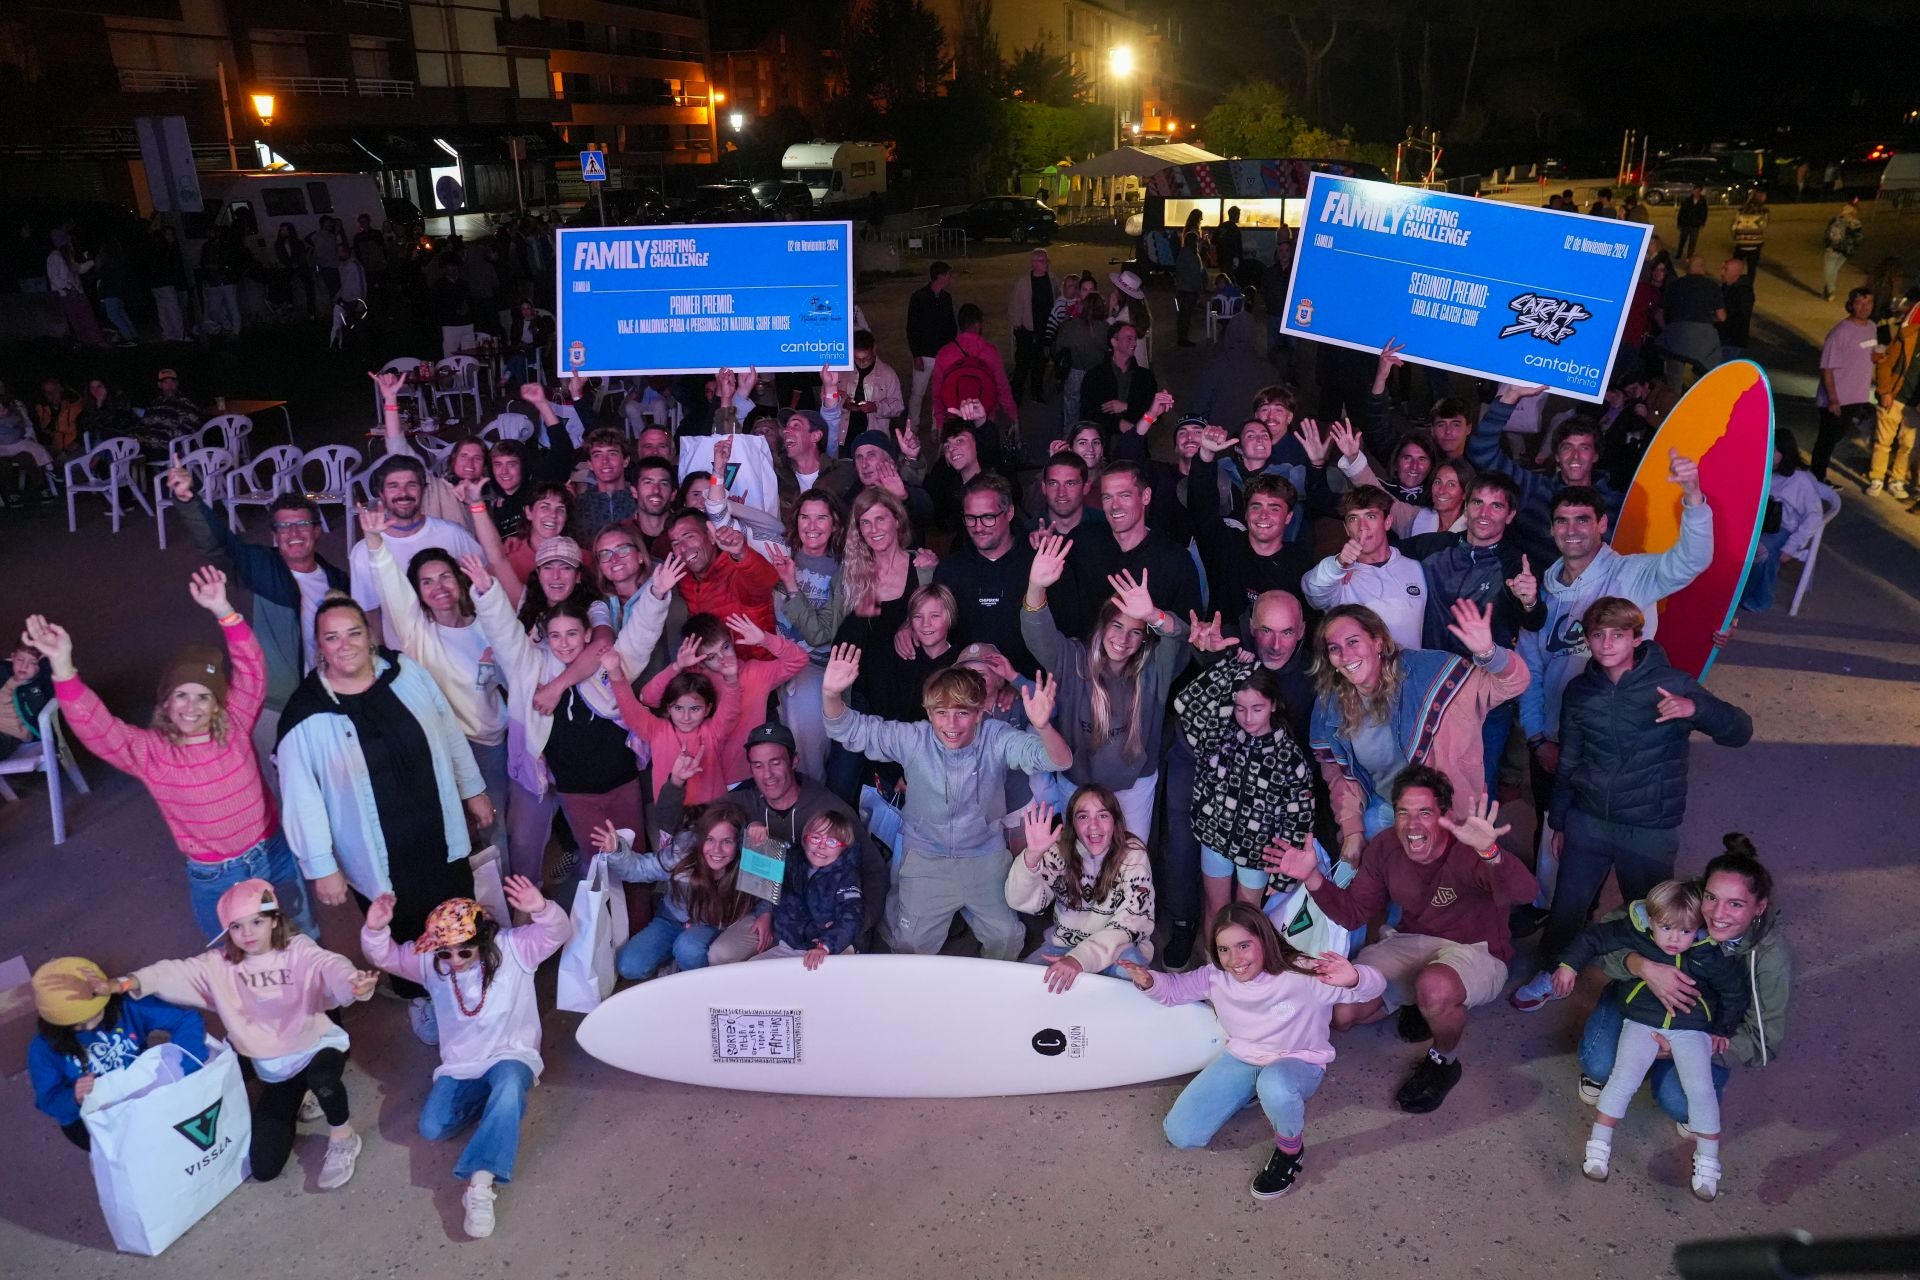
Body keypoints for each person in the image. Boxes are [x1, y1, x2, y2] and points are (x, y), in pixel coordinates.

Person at [26, 569, 318, 941]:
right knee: (232, 957)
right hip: (217, 874)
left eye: (203, 696)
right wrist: (63, 664)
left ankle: (321, 998)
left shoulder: (235, 726)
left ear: (218, 705)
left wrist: (224, 610)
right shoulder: (152, 752)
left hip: (272, 850)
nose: (191, 706)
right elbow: (98, 728)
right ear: (165, 703)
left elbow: (253, 671)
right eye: (181, 694)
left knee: (298, 932)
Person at [1510, 596, 1752, 1012]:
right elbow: (1570, 759)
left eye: (1618, 635)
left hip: (1648, 825)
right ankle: (1554, 969)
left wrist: (1696, 708)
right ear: (1587, 640)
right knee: (1568, 903)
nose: (1606, 644)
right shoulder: (1580, 690)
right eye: (1598, 635)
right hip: (1589, 818)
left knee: (1653, 913)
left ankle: (1652, 990)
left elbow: (1739, 731)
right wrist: (1561, 820)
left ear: (1637, 637)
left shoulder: (1672, 683)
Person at [275, 594, 492, 1045]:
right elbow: (301, 799)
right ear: (318, 646)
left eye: (354, 632)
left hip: (439, 832)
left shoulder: (406, 673)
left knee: (457, 909)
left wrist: (474, 789)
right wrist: (322, 867)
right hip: (378, 855)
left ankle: (472, 982)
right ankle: (423, 999)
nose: (345, 644)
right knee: (405, 931)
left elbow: (447, 730)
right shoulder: (306, 714)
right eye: (332, 637)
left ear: (369, 636)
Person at [1269, 772, 1536, 1113]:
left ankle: (1444, 1060)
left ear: (1443, 815)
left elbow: (1526, 892)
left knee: (1436, 988)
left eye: (1424, 812)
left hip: (1477, 948)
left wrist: (1490, 852)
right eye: (1403, 812)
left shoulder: (1471, 847)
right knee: (1342, 1014)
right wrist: (1313, 878)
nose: (1412, 824)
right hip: (1411, 940)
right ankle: (1418, 1004)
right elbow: (1353, 914)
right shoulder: (1384, 848)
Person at [106, 880, 379, 1188]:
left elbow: (328, 965)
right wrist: (123, 983)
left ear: (275, 919)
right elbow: (173, 972)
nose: (247, 933)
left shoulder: (298, 949)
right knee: (264, 1167)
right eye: (237, 926)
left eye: (257, 922)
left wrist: (353, 981)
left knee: (324, 1081)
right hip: (273, 1065)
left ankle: (343, 1136)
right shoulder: (219, 964)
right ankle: (303, 1094)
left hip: (315, 1047)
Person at [822, 646, 1071, 960]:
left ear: (980, 712)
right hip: (927, 857)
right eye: (941, 712)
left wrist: (1044, 727)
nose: (951, 724)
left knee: (1008, 939)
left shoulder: (996, 737)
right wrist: (831, 694)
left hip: (984, 856)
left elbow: (1057, 760)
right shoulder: (914, 738)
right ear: (928, 713)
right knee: (909, 946)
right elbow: (846, 728)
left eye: (962, 712)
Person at [1124, 903, 1384, 1199]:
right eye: (1224, 950)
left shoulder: (1303, 972)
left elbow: (1375, 987)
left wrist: (1354, 977)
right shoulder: (1216, 976)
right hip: (1243, 1059)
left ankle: (1290, 1153)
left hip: (1297, 1063)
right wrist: (1147, 980)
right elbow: (1173, 990)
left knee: (1275, 1085)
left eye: (1244, 945)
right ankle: (1250, 1091)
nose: (1234, 960)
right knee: (1182, 1134)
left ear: (1264, 939)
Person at [361, 876, 570, 1238]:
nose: (453, 960)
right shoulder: (430, 963)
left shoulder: (514, 949)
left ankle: (480, 1184)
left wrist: (540, 908)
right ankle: (501, 1110)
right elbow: (388, 956)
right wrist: (375, 928)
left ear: (482, 942)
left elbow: (557, 933)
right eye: (445, 953)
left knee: (507, 1083)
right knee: (432, 1127)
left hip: (511, 1055)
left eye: (463, 951)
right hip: (461, 1066)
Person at [466, 552, 673, 876]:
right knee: (598, 871)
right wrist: (487, 593)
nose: (564, 644)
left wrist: (656, 595)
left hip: (622, 783)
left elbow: (639, 637)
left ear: (588, 635)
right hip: (576, 792)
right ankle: (605, 928)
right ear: (545, 639)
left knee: (634, 862)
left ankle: (640, 924)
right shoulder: (531, 666)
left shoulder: (608, 661)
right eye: (556, 636)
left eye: (572, 634)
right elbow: (504, 634)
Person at [1575, 835, 1789, 1134]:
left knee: (1681, 1102)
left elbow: (1762, 1042)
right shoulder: (1682, 899)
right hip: (1639, 1005)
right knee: (1598, 1064)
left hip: (1699, 1029)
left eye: (1736, 904)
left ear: (1759, 907)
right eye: (1711, 897)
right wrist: (1640, 965)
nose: (1717, 913)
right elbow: (1607, 939)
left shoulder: (1769, 957)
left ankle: (1657, 1067)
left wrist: (1687, 1049)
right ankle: (1627, 1055)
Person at [1552, 880, 1747, 1200]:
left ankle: (1708, 1162)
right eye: (1666, 927)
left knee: (1700, 1088)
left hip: (1691, 1028)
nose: (1674, 938)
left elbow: (1734, 992)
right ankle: (1598, 1147)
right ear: (1651, 920)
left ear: (1698, 927)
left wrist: (1722, 1029)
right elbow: (1595, 937)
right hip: (1641, 1021)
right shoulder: (1636, 931)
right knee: (1622, 1078)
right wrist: (1568, 965)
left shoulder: (1710, 953)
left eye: (1685, 931)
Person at [1310, 600, 1528, 856]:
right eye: (1334, 648)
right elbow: (1339, 776)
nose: (1345, 655)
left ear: (1378, 642)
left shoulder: (1431, 672)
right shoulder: (1330, 705)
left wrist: (1489, 653)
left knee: (1452, 888)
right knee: (1370, 876)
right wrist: (1352, 830)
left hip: (1448, 812)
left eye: (1353, 642)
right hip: (1386, 807)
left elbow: (1514, 684)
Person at [169, 469, 348, 780]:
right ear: (274, 536)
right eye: (284, 527)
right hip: (274, 702)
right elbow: (218, 542)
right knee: (279, 784)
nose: (294, 533)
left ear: (317, 530)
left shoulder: (337, 580)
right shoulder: (260, 566)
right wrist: (188, 500)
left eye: (302, 524)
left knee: (329, 774)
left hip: (325, 695)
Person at [359, 511, 510, 853]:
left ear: (459, 580)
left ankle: (502, 896)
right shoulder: (417, 631)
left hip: (492, 741)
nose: (438, 587)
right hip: (445, 743)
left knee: (495, 824)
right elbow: (389, 581)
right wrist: (374, 540)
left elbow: (514, 671)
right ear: (418, 593)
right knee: (453, 826)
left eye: (445, 577)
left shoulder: (485, 623)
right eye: (426, 582)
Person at [1022, 539, 1190, 837]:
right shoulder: (1073, 660)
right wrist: (1036, 587)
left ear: (1144, 640)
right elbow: (1038, 636)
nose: (1123, 639)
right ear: (1102, 626)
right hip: (1078, 786)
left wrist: (1153, 615)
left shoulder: (1153, 671)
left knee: (1131, 867)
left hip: (1133, 789)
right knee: (1079, 869)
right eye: (1116, 626)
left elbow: (1179, 636)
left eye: (1135, 633)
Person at [1178, 651, 1316, 917]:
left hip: (1258, 851)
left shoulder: (1289, 757)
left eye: (1257, 708)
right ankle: (1211, 960)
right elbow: (1187, 704)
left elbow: (1298, 816)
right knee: (1215, 910)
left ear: (1273, 705)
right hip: (1215, 838)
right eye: (1240, 708)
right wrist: (1230, 667)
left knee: (1246, 916)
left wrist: (1283, 875)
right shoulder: (1219, 737)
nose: (1248, 718)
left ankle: (1240, 960)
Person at [30, 956, 208, 1152]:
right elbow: (48, 1101)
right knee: (135, 1158)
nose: (91, 1026)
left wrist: (181, 1067)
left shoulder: (127, 1006)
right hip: (93, 1118)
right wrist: (74, 1097)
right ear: (55, 1025)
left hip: (140, 1095)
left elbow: (186, 1021)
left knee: (172, 1143)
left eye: (97, 1014)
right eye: (78, 1025)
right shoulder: (43, 1049)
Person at [733, 720, 886, 947]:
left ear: (794, 761)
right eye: (758, 765)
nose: (768, 775)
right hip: (770, 914)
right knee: (720, 955)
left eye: (776, 762)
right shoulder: (743, 801)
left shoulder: (829, 809)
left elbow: (874, 871)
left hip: (827, 928)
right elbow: (693, 828)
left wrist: (850, 931)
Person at [594, 801, 768, 978]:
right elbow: (639, 869)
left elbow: (766, 889)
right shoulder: (683, 852)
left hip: (710, 924)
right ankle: (675, 962)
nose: (717, 849)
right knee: (629, 966)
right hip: (672, 919)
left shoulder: (746, 860)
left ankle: (697, 981)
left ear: (737, 843)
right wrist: (617, 850)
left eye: (727, 841)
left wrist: (765, 914)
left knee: (688, 948)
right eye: (710, 839)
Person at [1007, 790, 1155, 988]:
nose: (1093, 825)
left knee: (1135, 993)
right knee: (1022, 990)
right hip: (1063, 946)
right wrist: (1032, 857)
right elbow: (1023, 903)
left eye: (1102, 815)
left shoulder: (1133, 855)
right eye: (1083, 816)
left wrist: (1079, 960)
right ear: (1073, 824)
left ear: (1115, 821)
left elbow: (1129, 926)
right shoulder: (1058, 849)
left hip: (1119, 948)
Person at [1468, 384, 1623, 568]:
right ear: (1556, 455)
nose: (1575, 456)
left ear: (1595, 456)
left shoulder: (1617, 503)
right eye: (1567, 448)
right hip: (1535, 592)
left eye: (1584, 448)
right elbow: (1480, 451)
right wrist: (1510, 397)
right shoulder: (1533, 488)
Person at [1049, 461, 1202, 639]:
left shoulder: (1175, 560)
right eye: (1107, 497)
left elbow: (1190, 630)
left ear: (1145, 496)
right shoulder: (1083, 539)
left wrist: (1153, 615)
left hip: (1147, 665)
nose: (1115, 506)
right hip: (1084, 660)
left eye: (1124, 495)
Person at [348, 455, 484, 648]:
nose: (403, 493)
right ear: (381, 493)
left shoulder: (452, 534)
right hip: (406, 657)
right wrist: (383, 659)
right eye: (393, 486)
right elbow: (370, 612)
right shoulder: (363, 552)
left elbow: (485, 584)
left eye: (411, 485)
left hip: (463, 647)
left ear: (424, 490)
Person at [929, 473, 1037, 672]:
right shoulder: (950, 570)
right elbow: (940, 638)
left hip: (1029, 689)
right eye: (970, 518)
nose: (978, 527)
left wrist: (1016, 682)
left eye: (988, 517)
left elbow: (1060, 639)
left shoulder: (1037, 564)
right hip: (966, 690)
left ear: (1010, 512)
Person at [1301, 487, 1428, 653]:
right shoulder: (1337, 576)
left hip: (1413, 675)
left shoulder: (1416, 568)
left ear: (1388, 522)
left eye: (1371, 516)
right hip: (1359, 677)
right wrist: (1338, 564)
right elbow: (1312, 590)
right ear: (1346, 528)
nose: (1363, 527)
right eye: (1354, 518)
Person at [750, 810, 864, 965]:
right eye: (816, 838)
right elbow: (758, 866)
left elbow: (851, 915)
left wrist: (826, 946)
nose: (821, 846)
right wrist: (753, 831)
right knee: (751, 976)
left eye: (832, 842)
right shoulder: (792, 859)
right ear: (805, 840)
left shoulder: (846, 874)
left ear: (843, 848)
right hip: (790, 945)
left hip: (831, 948)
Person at [1742, 433, 1839, 611]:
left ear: (1785, 453)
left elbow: (1814, 516)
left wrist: (1791, 546)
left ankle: (1756, 599)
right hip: (1761, 521)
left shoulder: (1800, 480)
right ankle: (1731, 587)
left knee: (1762, 551)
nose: (1769, 453)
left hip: (1785, 527)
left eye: (1774, 450)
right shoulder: (1765, 469)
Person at [1812, 286, 1879, 482]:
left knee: (1836, 437)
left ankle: (1817, 476)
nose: (1865, 307)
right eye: (1860, 303)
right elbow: (1826, 368)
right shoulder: (1840, 332)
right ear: (1851, 305)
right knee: (1826, 440)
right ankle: (1817, 478)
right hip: (1837, 398)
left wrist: (1877, 358)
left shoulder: (1872, 327)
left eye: (1869, 303)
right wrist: (1833, 399)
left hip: (1856, 395)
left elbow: (1868, 355)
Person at [1866, 291, 1920, 498]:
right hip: (1895, 397)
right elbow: (1885, 364)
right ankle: (1877, 478)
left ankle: (1897, 480)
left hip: (1914, 407)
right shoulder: (1907, 337)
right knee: (1883, 441)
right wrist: (1884, 391)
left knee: (1907, 446)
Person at [931, 303, 1018, 426]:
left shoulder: (944, 353)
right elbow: (1002, 387)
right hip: (985, 417)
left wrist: (940, 423)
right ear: (977, 325)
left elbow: (937, 393)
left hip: (954, 418)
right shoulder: (990, 351)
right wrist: (1012, 415)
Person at [1079, 322, 1160, 438]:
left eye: (1135, 339)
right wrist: (1117, 424)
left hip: (1135, 444)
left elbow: (1155, 418)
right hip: (1103, 445)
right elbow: (1087, 415)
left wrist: (1127, 407)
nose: (1134, 343)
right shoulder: (1095, 376)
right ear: (1114, 342)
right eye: (1129, 338)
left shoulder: (1145, 377)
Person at [906, 261, 958, 429]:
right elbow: (912, 328)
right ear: (941, 276)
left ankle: (937, 426)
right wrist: (916, 355)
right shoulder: (919, 298)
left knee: (939, 393)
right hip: (924, 354)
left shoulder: (946, 298)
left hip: (941, 355)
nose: (950, 278)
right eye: (948, 274)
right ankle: (913, 426)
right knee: (917, 393)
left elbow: (951, 327)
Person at [1007, 248, 1061, 404]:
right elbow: (1015, 304)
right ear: (1034, 263)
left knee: (1040, 363)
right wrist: (1017, 325)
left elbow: (1058, 296)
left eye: (1047, 261)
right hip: (1028, 331)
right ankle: (1016, 393)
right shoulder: (1024, 282)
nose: (1046, 264)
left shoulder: (1051, 279)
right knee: (1023, 364)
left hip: (1046, 329)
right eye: (1043, 261)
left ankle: (1036, 392)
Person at [571, 427, 638, 545]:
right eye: (597, 455)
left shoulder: (639, 502)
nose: (605, 461)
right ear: (590, 464)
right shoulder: (578, 506)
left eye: (612, 453)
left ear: (626, 461)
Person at [1822, 199, 1865, 301]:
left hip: (1834, 248)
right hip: (1845, 251)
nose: (1844, 208)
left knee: (1829, 270)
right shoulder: (1856, 223)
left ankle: (1831, 290)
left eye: (1847, 207)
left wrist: (1827, 243)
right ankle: (1827, 290)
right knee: (1834, 270)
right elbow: (1859, 238)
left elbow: (1827, 232)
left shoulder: (1837, 219)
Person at [1716, 258, 1755, 364]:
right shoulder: (1727, 287)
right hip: (1725, 338)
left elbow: (1741, 315)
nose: (1722, 273)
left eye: (1726, 270)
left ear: (1736, 273)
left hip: (1730, 340)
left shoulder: (1743, 292)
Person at [1728, 190, 1769, 289]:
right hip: (1755, 243)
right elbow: (1764, 225)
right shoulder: (1764, 211)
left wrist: (1736, 236)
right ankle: (1748, 286)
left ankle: (1732, 282)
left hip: (1741, 242)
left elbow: (1733, 226)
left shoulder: (1741, 209)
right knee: (1752, 267)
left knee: (1736, 264)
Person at [1674, 185, 1710, 261]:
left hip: (1695, 225)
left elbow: (1704, 213)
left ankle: (1689, 256)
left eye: (1698, 191)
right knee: (1682, 240)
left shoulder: (1702, 201)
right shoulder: (1687, 200)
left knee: (1692, 242)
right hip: (1686, 224)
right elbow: (1681, 212)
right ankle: (1679, 253)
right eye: (1695, 191)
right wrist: (1679, 222)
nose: (1696, 193)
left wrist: (1702, 223)